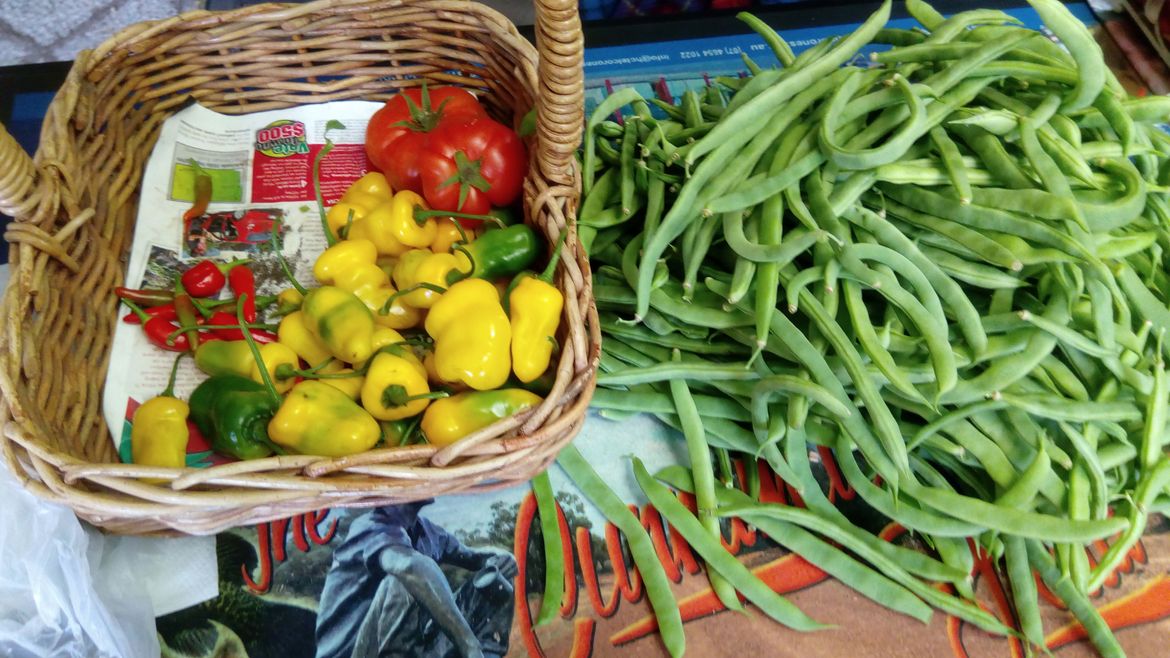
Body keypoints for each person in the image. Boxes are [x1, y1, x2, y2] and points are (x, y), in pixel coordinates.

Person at [315, 500, 518, 658]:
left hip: (413, 647)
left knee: (495, 578)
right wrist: (468, 644)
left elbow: (473, 557)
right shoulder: (370, 526)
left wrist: (503, 558)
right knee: (403, 581)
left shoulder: (425, 531)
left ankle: (489, 653)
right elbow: (410, 567)